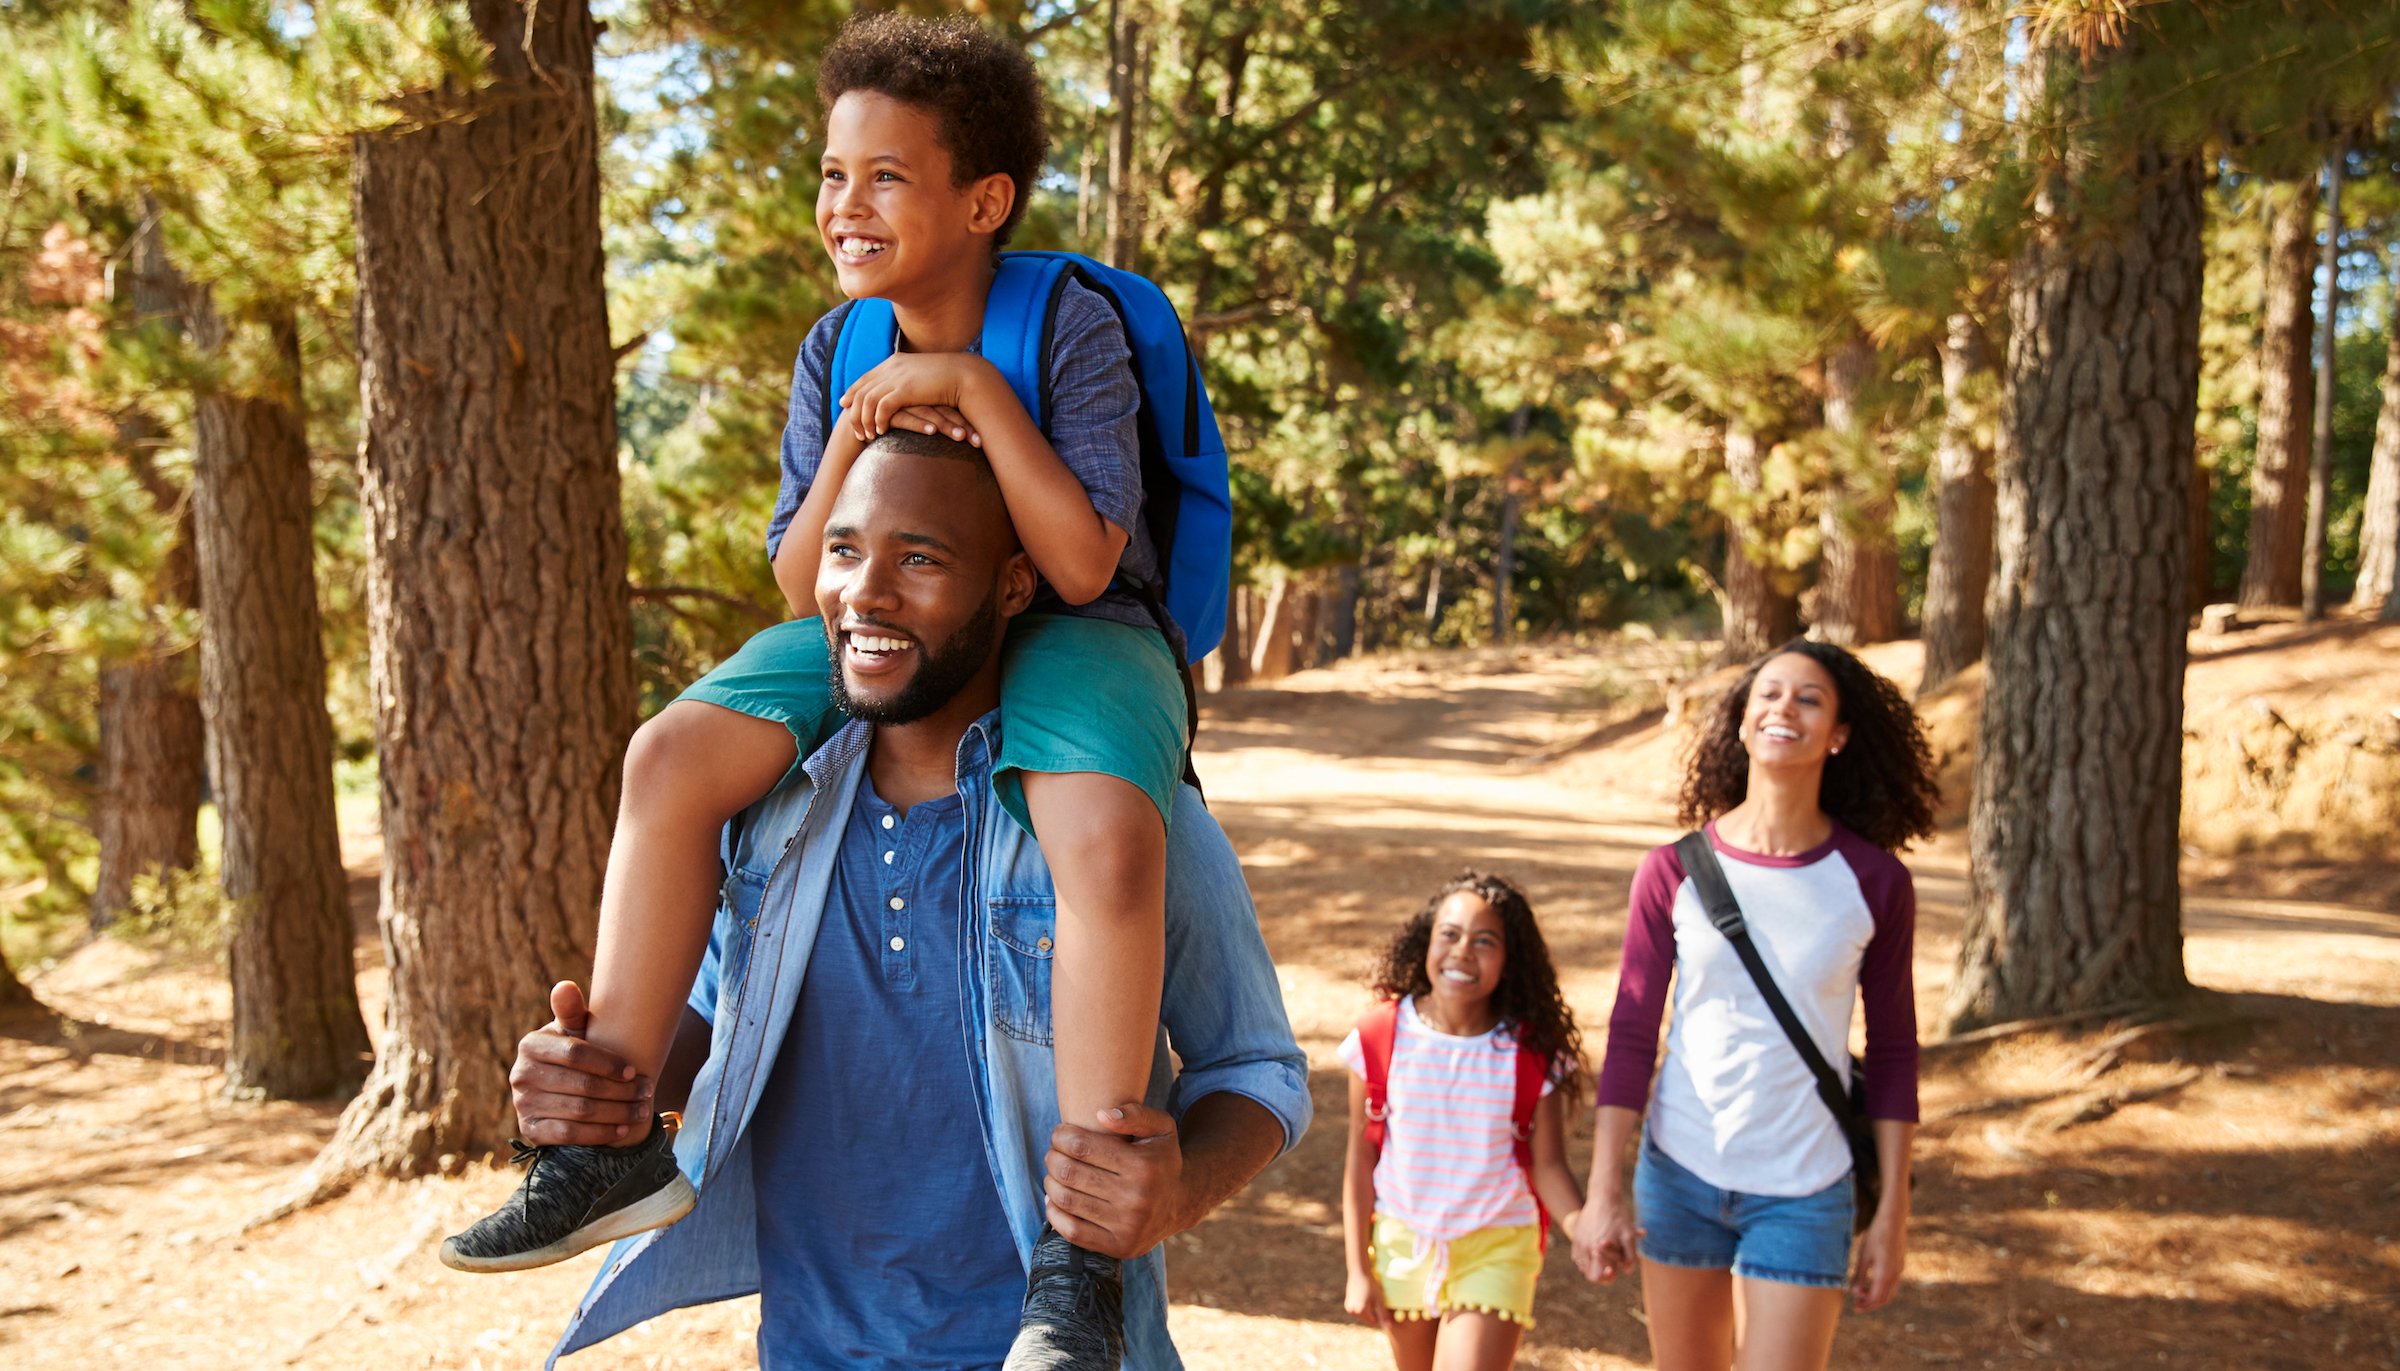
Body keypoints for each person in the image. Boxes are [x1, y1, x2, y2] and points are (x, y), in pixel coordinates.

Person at [442, 15, 1201, 1368]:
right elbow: (808, 588)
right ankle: (603, 1137)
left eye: (887, 176)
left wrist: (969, 387)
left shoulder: (1067, 320)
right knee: (670, 754)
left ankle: (1077, 1251)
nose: (847, 204)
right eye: (833, 174)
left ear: (983, 201)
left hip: (1080, 624)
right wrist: (864, 418)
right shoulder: (835, 347)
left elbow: (1083, 559)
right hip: (887, 607)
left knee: (1098, 831)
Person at [491, 430, 1309, 1370]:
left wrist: (1174, 1191)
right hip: (808, 1349)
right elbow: (715, 1029)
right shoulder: (760, 811)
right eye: (843, 550)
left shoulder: (1129, 821)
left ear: (1011, 586)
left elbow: (1257, 1069)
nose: (866, 593)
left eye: (919, 557)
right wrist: (595, 1088)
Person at [1571, 640, 1938, 1371]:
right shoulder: (1671, 870)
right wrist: (1604, 1186)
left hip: (1806, 1184)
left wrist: (1892, 1215)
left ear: (1837, 734)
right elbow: (1634, 1033)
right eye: (1768, 693)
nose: (1784, 709)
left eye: (1809, 698)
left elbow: (1895, 1052)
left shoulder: (1874, 881)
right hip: (1679, 1172)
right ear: (1741, 720)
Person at [1339, 871, 1588, 1371]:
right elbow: (1361, 1157)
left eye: (1485, 941)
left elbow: (1549, 1166)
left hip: (1498, 1244)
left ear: (1510, 959)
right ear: (1426, 941)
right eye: (1449, 934)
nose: (1463, 951)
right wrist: (1357, 1270)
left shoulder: (1531, 1054)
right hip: (1402, 1242)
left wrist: (1585, 1227)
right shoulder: (1379, 1036)